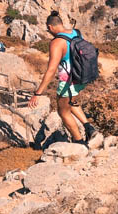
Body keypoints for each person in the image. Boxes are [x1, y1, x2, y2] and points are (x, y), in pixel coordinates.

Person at [28, 11, 97, 144]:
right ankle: (89, 128)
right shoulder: (76, 32)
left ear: (50, 27)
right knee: (71, 102)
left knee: (63, 111)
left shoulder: (57, 42)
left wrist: (38, 93)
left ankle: (79, 141)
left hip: (68, 81)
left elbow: (51, 70)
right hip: (81, 76)